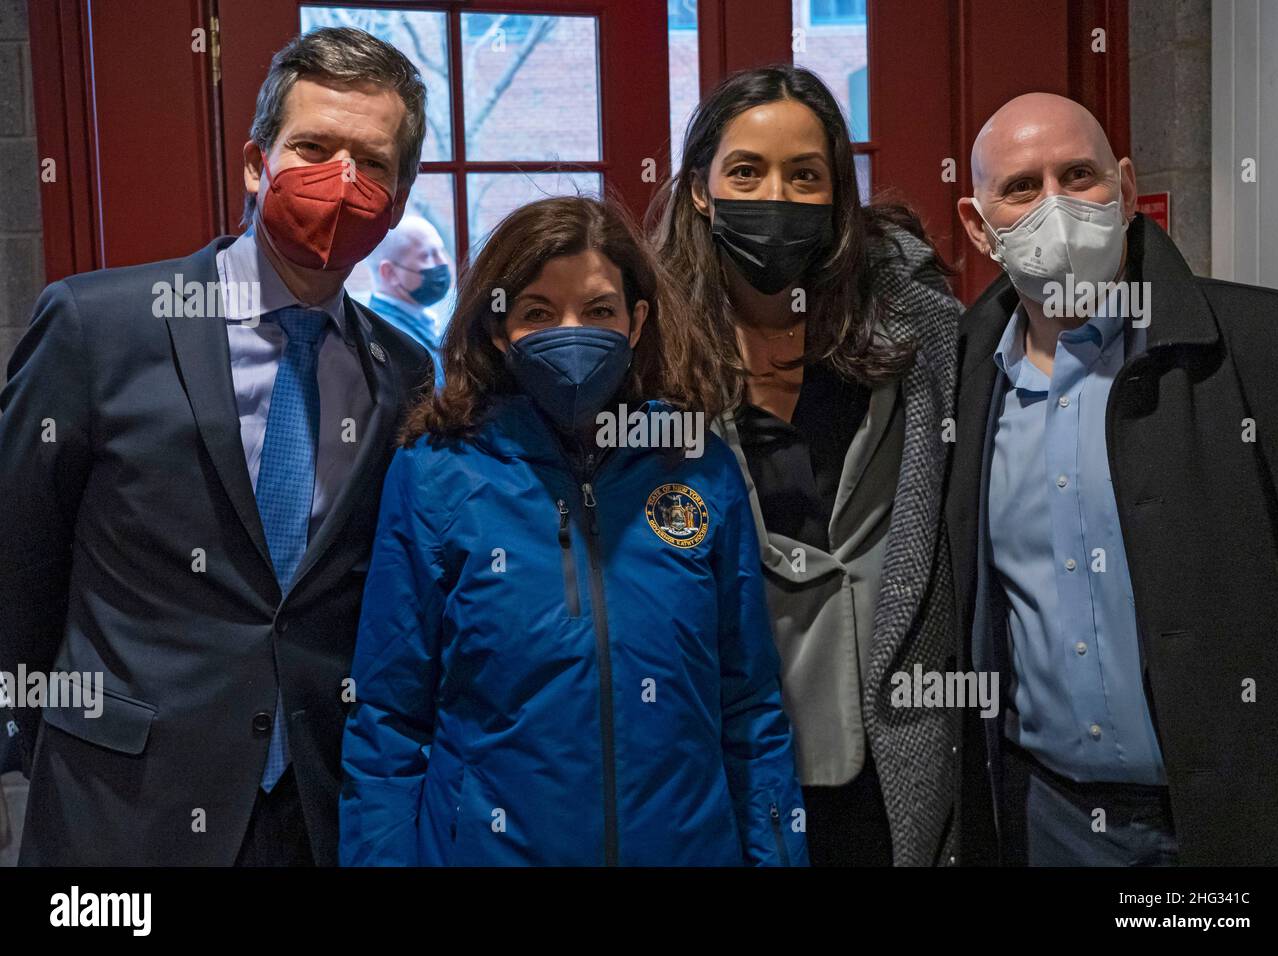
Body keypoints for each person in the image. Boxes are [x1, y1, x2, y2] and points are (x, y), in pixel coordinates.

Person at [0, 27, 433, 865]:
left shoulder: (403, 372)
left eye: (371, 163)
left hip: (315, 809)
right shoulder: (100, 325)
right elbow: (17, 557)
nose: (340, 181)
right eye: (312, 147)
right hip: (119, 807)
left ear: (400, 193)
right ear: (254, 164)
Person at [338, 196, 808, 866]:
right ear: (499, 327)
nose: (571, 331)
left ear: (636, 320)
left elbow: (752, 709)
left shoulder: (700, 469)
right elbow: (387, 721)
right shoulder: (436, 475)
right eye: (537, 312)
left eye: (597, 310)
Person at [948, 92, 1278, 866]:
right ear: (979, 225)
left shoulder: (1268, 349)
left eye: (1079, 175)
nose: (1056, 208)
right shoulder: (961, 380)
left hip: (1235, 816)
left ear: (1127, 189)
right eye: (1021, 188)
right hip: (1050, 820)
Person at [651, 65, 962, 866]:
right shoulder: (641, 351)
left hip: (887, 753)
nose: (776, 197)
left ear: (837, 197)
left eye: (805, 175)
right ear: (699, 190)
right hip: (710, 750)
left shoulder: (920, 335)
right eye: (746, 172)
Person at [364, 213, 454, 366]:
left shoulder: (421, 320)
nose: (442, 262)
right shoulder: (390, 338)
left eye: (440, 251)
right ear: (390, 273)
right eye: (426, 256)